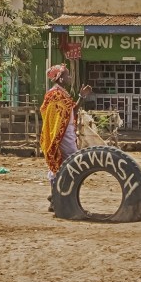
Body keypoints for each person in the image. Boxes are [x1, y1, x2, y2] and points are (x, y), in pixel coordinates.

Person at [40, 64, 92, 211]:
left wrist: (81, 97)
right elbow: (51, 117)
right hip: (60, 136)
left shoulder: (63, 93)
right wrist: (57, 135)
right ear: (60, 78)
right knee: (71, 165)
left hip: (66, 134)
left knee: (63, 166)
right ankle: (59, 200)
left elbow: (71, 113)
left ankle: (55, 199)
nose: (70, 77)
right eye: (67, 75)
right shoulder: (54, 94)